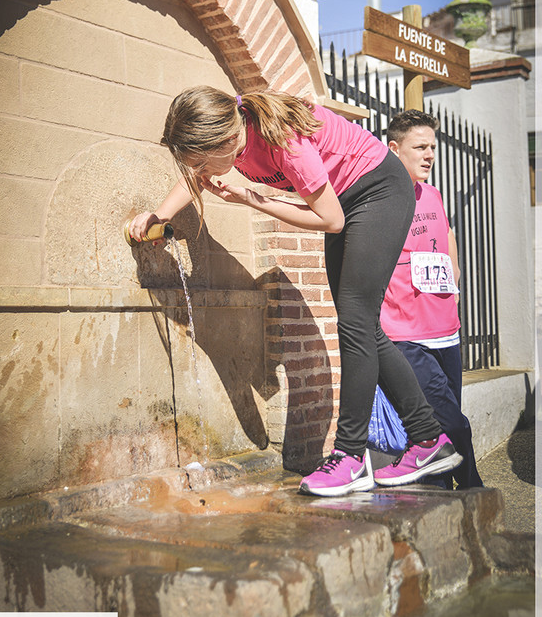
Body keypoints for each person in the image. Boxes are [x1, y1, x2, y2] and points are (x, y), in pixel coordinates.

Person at [128, 86, 462, 496]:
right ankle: (429, 440)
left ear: (227, 139)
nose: (199, 170)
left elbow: (330, 219)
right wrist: (158, 217)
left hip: (378, 191)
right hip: (348, 199)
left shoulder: (282, 141)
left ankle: (351, 456)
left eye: (200, 159)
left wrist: (252, 198)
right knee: (363, 326)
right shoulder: (232, 135)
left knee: (355, 322)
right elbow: (193, 178)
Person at [380, 109, 483, 489]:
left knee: (441, 423)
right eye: (419, 147)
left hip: (447, 330)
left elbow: (447, 233)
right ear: (394, 149)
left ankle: (438, 499)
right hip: (406, 334)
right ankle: (474, 491)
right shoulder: (381, 198)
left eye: (432, 147)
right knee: (453, 423)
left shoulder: (434, 193)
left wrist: (455, 274)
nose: (429, 155)